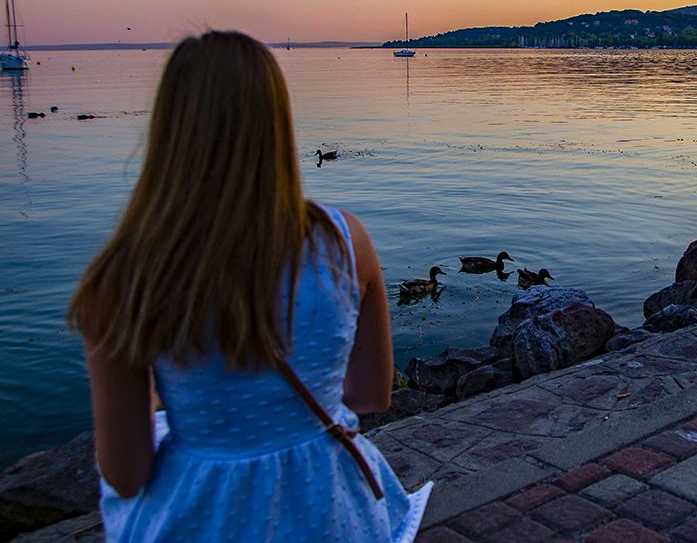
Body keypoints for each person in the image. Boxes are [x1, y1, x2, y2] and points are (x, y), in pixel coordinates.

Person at [68, 31, 430, 541]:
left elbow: (126, 475)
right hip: (329, 507)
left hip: (201, 512)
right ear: (276, 123)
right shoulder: (345, 242)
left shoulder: (125, 275)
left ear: (168, 128)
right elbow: (371, 395)